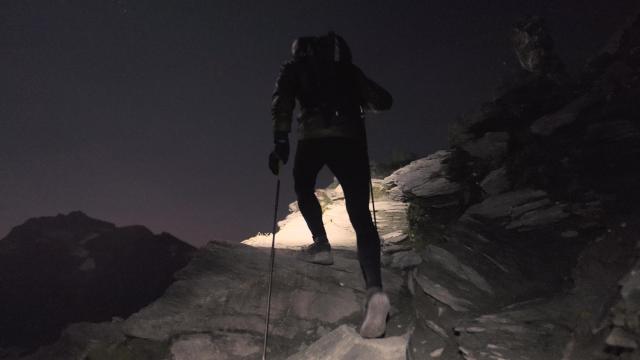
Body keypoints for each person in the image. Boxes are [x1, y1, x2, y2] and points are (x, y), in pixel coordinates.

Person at [268, 32, 393, 338]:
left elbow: (282, 102)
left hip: (313, 139)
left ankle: (321, 243)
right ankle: (375, 290)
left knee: (303, 185)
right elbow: (383, 100)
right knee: (361, 217)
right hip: (350, 141)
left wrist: (281, 140)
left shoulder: (295, 69)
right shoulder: (347, 70)